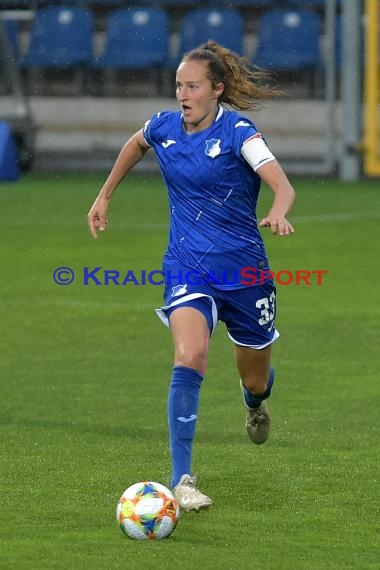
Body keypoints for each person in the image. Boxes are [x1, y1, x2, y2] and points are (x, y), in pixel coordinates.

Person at [88, 40, 295, 513]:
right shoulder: (164, 127)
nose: (183, 94)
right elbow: (135, 143)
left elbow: (281, 185)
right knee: (190, 354)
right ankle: (181, 479)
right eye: (179, 85)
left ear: (216, 90)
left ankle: (254, 401)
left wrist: (279, 212)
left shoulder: (240, 131)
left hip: (245, 272)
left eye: (193, 86)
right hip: (187, 265)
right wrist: (104, 196)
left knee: (257, 376)